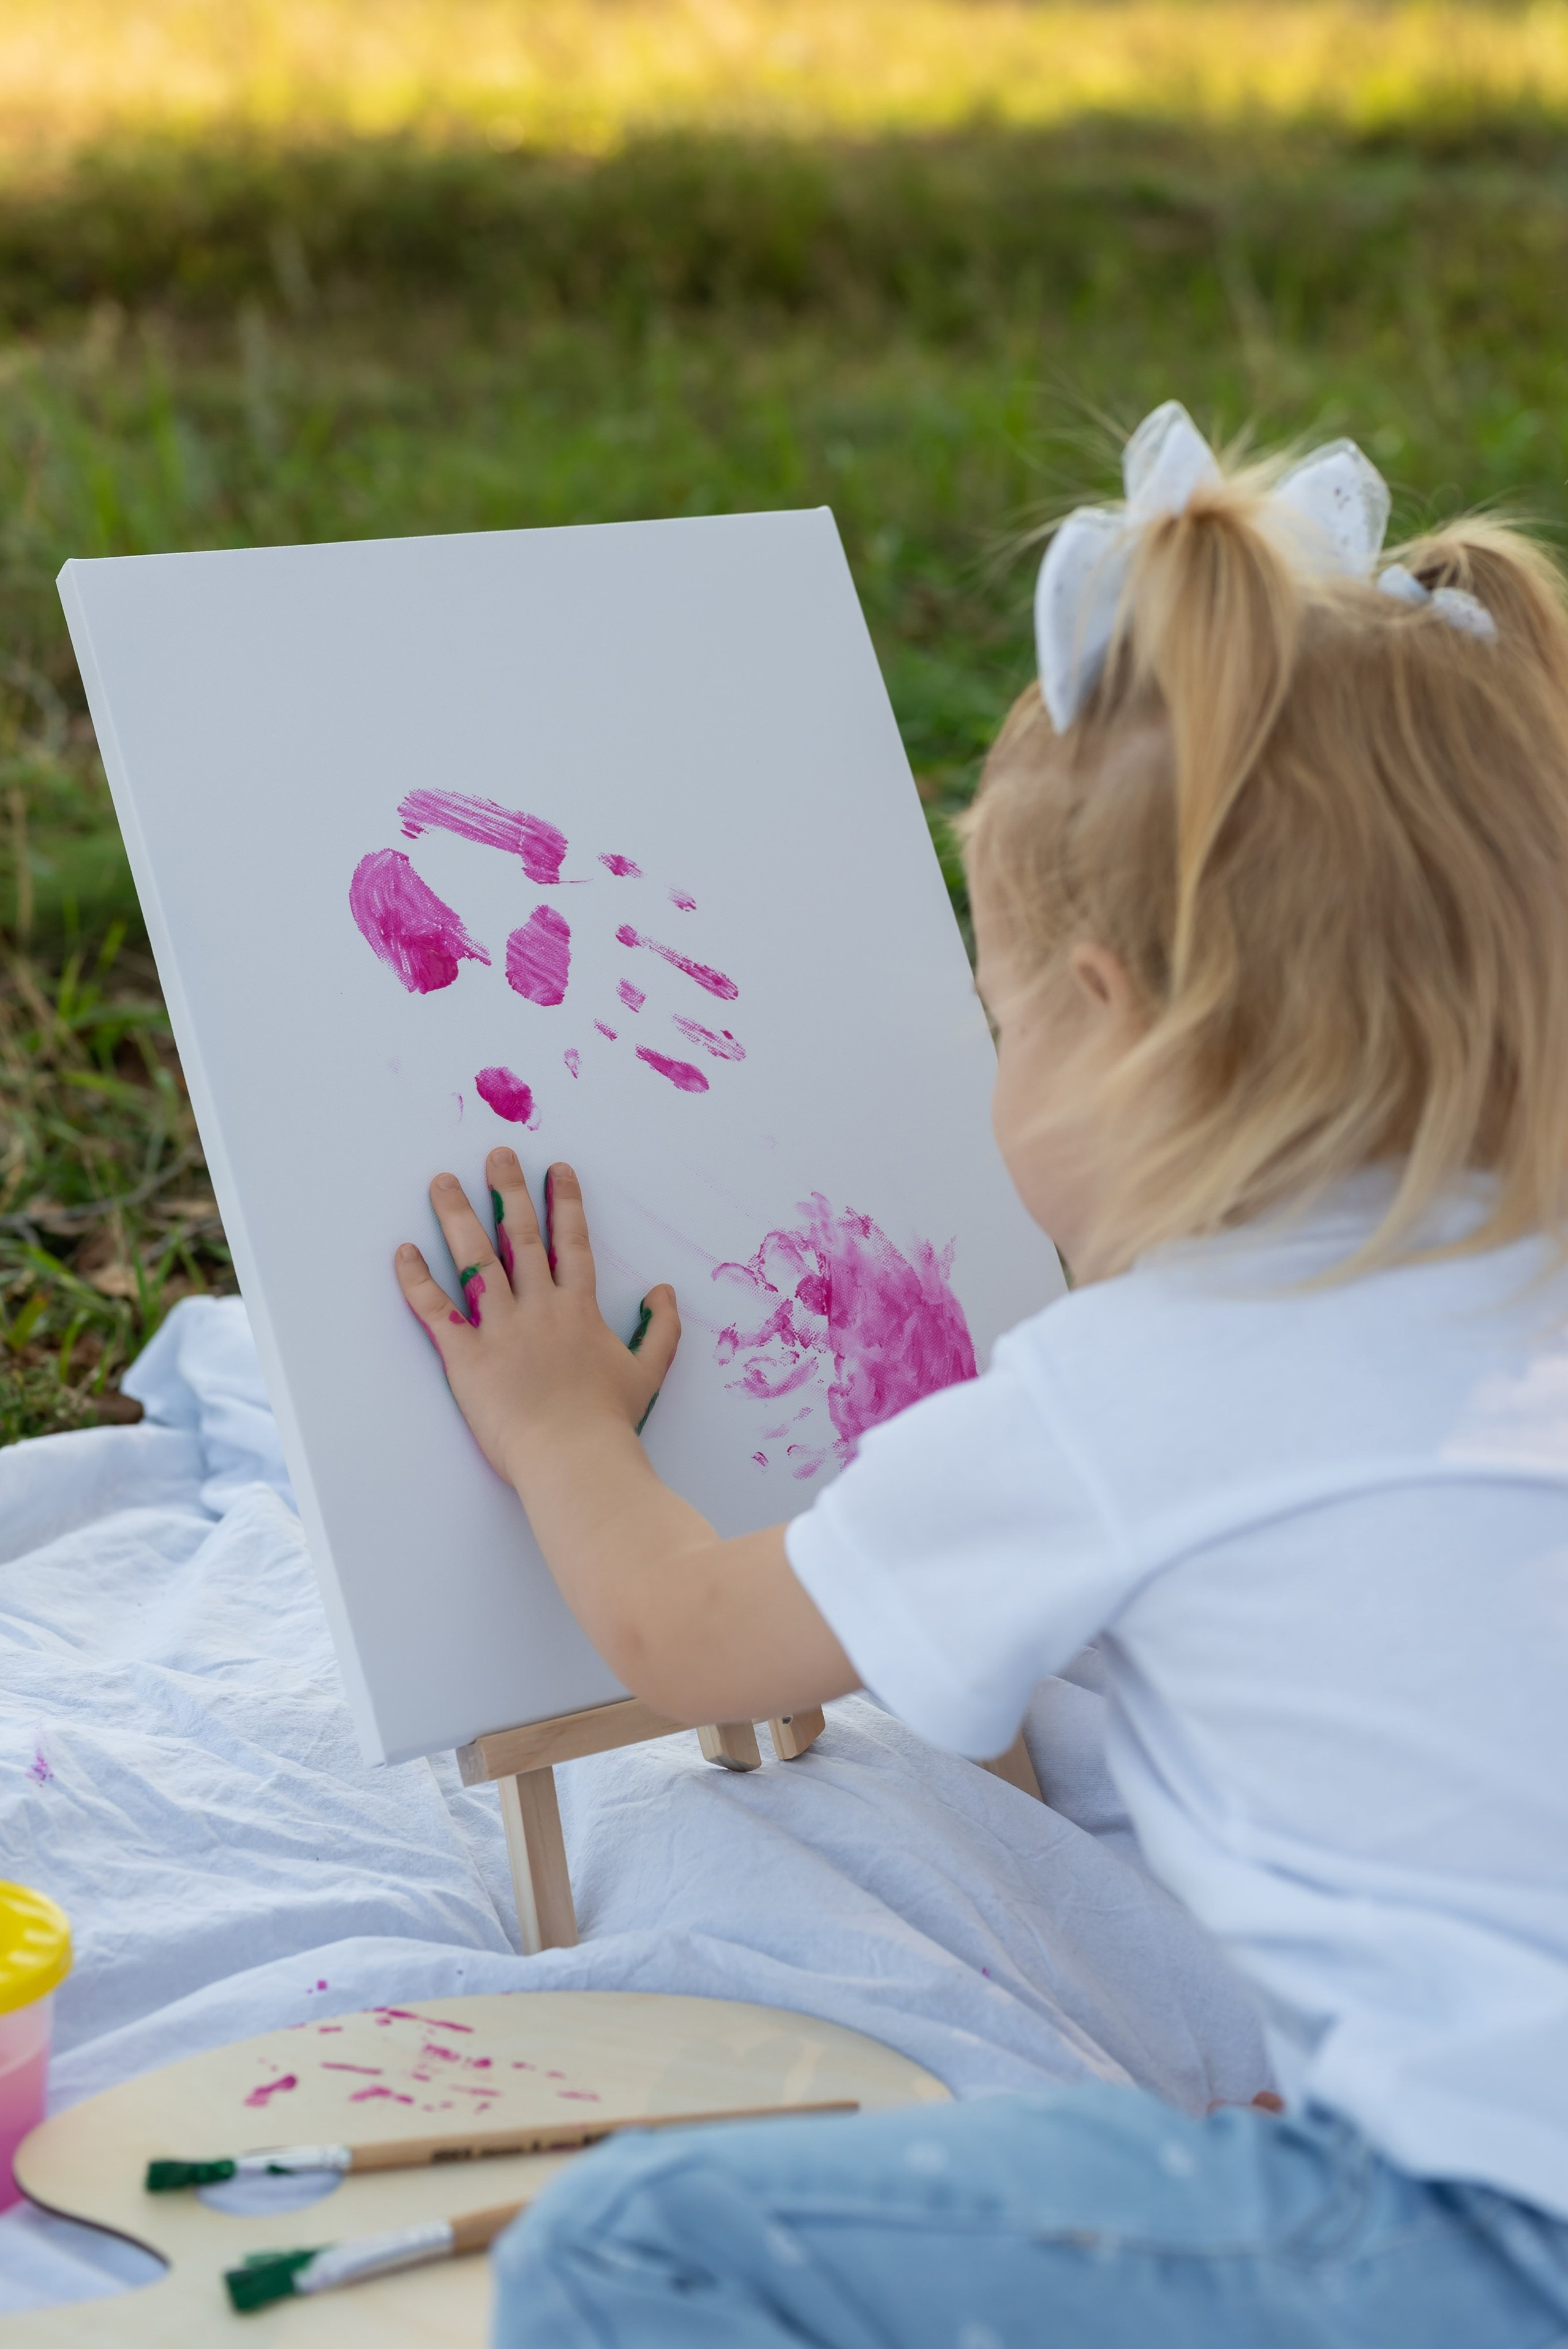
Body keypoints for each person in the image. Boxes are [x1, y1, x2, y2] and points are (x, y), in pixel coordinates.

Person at [395, 406, 1568, 2346]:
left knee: (635, 2238)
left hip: (1488, 2244)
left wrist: (552, 1417)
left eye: (994, 1014)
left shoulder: (1134, 1386)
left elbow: (690, 1634)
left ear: (1108, 1026)